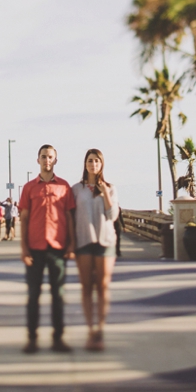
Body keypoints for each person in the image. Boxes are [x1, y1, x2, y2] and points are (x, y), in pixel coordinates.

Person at [19, 144, 76, 354]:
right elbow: (24, 219)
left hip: (57, 247)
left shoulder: (64, 187)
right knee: (33, 295)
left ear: (55, 160)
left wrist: (71, 245)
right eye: (43, 157)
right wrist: (23, 248)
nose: (47, 160)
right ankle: (32, 338)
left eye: (50, 157)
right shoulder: (28, 188)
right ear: (38, 160)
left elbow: (69, 217)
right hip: (34, 247)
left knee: (58, 295)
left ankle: (58, 338)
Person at [72, 148, 119, 352]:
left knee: (102, 286)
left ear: (102, 165)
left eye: (97, 161)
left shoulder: (110, 187)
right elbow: (71, 216)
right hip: (84, 240)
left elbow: (113, 215)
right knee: (86, 286)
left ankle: (100, 328)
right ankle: (90, 329)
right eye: (90, 161)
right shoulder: (76, 189)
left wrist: (106, 194)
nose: (93, 164)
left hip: (105, 240)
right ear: (85, 164)